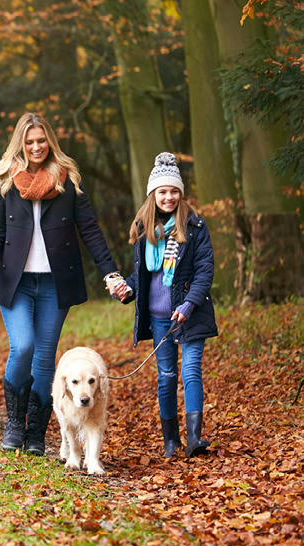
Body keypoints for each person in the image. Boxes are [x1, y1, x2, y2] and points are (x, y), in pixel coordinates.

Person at [0, 112, 126, 455]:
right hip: (16, 283)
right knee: (23, 346)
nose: (35, 147)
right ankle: (15, 422)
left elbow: (90, 229)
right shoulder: (4, 181)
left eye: (41, 141)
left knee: (45, 359)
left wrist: (111, 273)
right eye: (29, 142)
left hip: (55, 283)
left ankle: (35, 433)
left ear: (50, 142)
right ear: (20, 144)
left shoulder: (67, 181)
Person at [119, 152, 216, 458]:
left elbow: (205, 270)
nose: (169, 197)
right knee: (166, 377)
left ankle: (194, 439)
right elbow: (141, 277)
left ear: (180, 193)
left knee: (190, 371)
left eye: (174, 191)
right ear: (153, 194)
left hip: (189, 314)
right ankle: (171, 440)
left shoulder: (194, 226)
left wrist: (188, 305)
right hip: (159, 317)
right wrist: (127, 289)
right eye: (163, 191)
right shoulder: (144, 229)